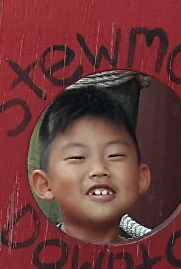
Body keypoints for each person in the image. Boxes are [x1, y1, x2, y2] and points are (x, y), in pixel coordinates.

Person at [28, 86, 153, 245]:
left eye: (114, 155)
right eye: (78, 157)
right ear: (45, 185)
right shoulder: (28, 262)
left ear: (140, 178)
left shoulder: (156, 263)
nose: (99, 170)